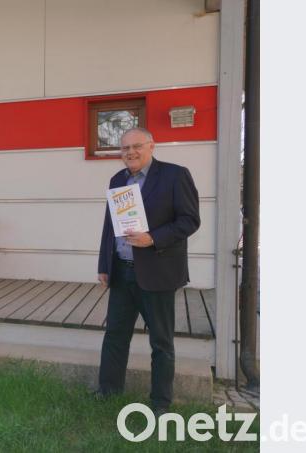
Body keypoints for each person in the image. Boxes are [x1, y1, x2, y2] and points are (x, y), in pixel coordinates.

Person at [96, 127, 201, 414]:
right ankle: (107, 393)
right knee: (115, 336)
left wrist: (152, 238)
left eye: (136, 146)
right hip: (121, 271)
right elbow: (110, 227)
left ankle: (160, 404)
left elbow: (190, 221)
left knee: (161, 342)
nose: (130, 152)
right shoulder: (117, 179)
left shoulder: (175, 175)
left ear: (152, 146)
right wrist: (104, 265)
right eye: (124, 148)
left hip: (158, 272)